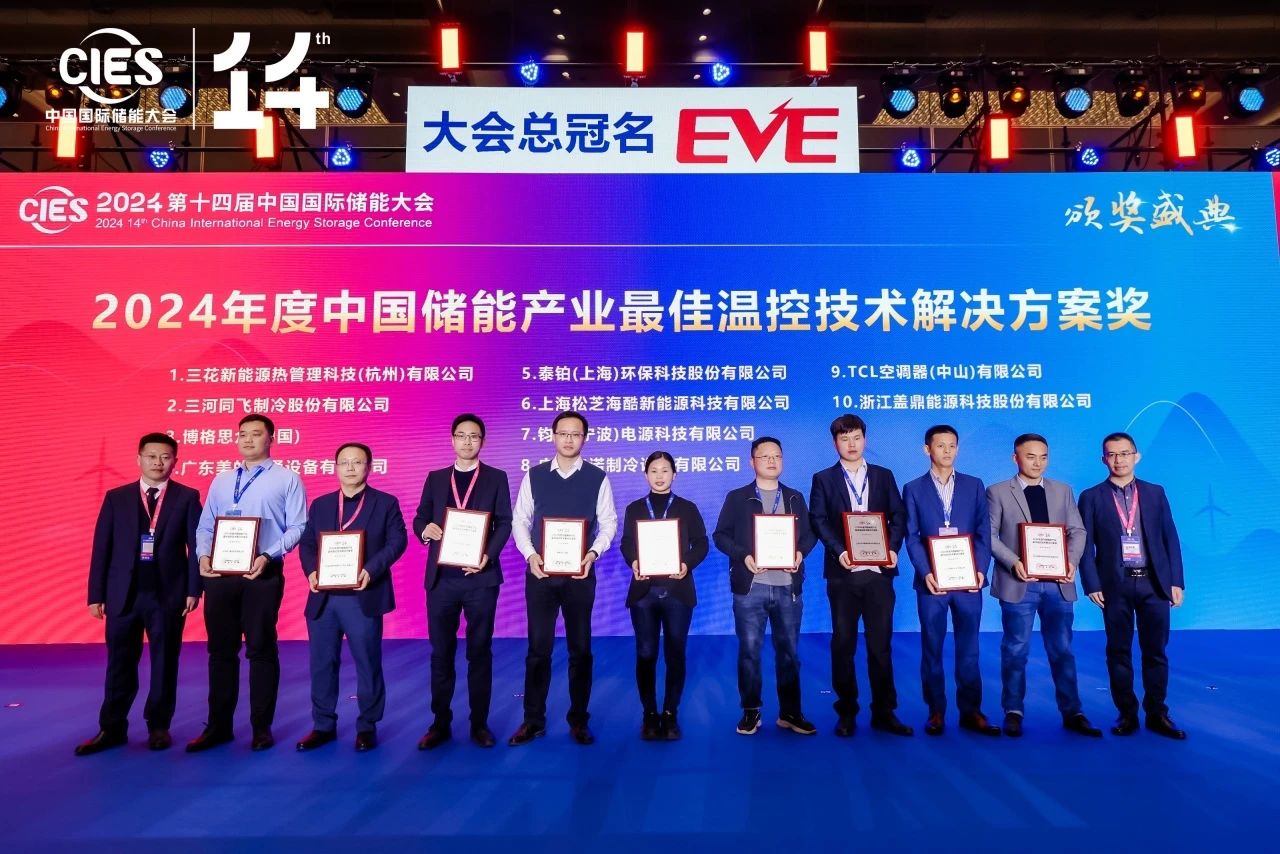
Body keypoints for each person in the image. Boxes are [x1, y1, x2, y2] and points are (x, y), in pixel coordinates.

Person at [76, 433, 203, 755]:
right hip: (123, 595)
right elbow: (101, 548)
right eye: (151, 456)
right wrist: (95, 594)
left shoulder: (187, 497)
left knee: (164, 662)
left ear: (175, 461)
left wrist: (194, 589)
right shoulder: (116, 497)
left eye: (165, 457)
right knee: (119, 663)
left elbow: (196, 547)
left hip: (168, 595)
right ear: (139, 459)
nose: (158, 463)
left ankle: (159, 726)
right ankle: (111, 727)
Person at [188, 413, 307, 752]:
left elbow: (298, 526)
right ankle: (218, 727)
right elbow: (205, 526)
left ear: (271, 439)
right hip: (220, 575)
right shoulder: (222, 480)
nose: (248, 440)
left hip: (262, 573)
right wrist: (203, 556)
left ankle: (261, 728)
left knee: (261, 649)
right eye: (243, 434)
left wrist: (268, 554)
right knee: (220, 651)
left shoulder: (287, 479)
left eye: (256, 434)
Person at [509, 411, 618, 746]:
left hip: (580, 574)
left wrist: (593, 553)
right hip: (540, 574)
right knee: (537, 650)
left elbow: (609, 522)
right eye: (563, 433)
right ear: (553, 436)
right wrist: (531, 555)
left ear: (584, 438)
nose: (569, 439)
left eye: (576, 434)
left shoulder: (598, 478)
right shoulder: (535, 475)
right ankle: (533, 720)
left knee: (580, 650)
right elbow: (520, 520)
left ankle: (579, 720)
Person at [295, 442, 407, 752]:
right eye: (344, 462)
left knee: (367, 662)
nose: (350, 468)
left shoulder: (385, 503)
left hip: (362, 595)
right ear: (335, 468)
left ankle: (367, 725)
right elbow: (307, 544)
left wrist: (371, 569)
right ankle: (323, 725)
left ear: (369, 467)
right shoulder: (321, 504)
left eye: (357, 462)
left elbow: (397, 541)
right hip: (324, 597)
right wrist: (311, 572)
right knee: (322, 663)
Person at [988, 433, 1100, 738]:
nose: (1038, 463)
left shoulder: (1063, 491)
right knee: (1015, 650)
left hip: (1058, 585)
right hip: (1019, 583)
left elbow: (1078, 531)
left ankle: (1073, 711)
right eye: (1030, 456)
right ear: (1015, 458)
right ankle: (1013, 711)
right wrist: (1014, 562)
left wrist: (1071, 562)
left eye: (1043, 457)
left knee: (1063, 649)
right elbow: (990, 536)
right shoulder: (997, 491)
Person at [808, 414, 912, 737]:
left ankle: (884, 711)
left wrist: (892, 548)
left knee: (880, 646)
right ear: (835, 443)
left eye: (856, 437)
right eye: (844, 439)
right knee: (843, 645)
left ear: (865, 439)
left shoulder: (883, 475)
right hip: (843, 574)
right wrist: (840, 551)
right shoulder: (823, 478)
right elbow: (818, 519)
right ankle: (847, 711)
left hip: (879, 573)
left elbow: (898, 515)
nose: (851, 444)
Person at [413, 414, 513, 750]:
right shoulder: (436, 478)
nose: (467, 441)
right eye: (461, 435)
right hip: (442, 580)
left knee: (479, 652)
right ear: (452, 439)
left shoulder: (496, 478)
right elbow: (420, 517)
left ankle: (479, 724)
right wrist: (424, 530)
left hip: (480, 578)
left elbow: (504, 522)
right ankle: (440, 723)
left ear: (483, 441)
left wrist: (488, 555)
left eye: (474, 436)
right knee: (441, 654)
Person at [1078, 432, 1187, 739]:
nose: (1119, 460)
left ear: (1136, 456)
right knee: (1118, 651)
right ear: (1103, 459)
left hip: (1154, 583)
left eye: (1124, 453)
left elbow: (1170, 537)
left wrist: (1176, 581)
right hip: (1115, 585)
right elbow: (1085, 546)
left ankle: (1157, 713)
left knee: (1156, 651)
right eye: (1112, 454)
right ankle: (1126, 713)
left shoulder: (1155, 492)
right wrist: (1091, 583)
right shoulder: (1091, 496)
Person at [713, 436, 818, 737]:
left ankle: (790, 712)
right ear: (752, 462)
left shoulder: (795, 497)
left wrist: (800, 553)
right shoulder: (738, 497)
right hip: (751, 588)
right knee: (749, 652)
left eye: (777, 456)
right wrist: (743, 555)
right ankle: (751, 711)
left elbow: (809, 535)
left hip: (788, 587)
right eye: (765, 456)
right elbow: (720, 536)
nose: (772, 461)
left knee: (789, 653)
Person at [902, 424, 999, 737]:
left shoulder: (974, 485)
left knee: (969, 648)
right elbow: (911, 536)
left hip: (969, 581)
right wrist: (925, 572)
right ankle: (936, 711)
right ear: (927, 449)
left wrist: (980, 569)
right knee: (932, 647)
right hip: (932, 582)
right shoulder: (913, 488)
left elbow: (984, 532)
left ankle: (971, 711)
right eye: (940, 445)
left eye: (952, 445)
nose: (947, 451)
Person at [618, 451, 709, 740]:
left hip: (677, 591)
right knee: (646, 653)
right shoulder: (634, 508)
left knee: (675, 652)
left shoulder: (687, 508)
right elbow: (626, 543)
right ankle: (649, 713)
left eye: (665, 470)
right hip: (644, 591)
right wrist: (634, 562)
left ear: (674, 475)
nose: (659, 476)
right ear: (646, 475)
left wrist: (686, 564)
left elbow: (702, 543)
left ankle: (670, 713)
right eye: (654, 471)